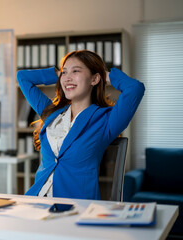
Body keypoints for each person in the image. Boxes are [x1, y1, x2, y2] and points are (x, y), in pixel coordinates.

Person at [17, 50, 145, 200]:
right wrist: (61, 75)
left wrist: (103, 76)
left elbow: (135, 88)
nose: (67, 78)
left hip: (75, 207)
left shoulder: (106, 120)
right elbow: (23, 77)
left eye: (76, 71)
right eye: (64, 73)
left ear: (94, 79)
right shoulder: (51, 112)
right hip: (37, 200)